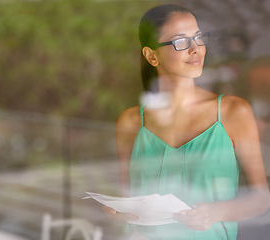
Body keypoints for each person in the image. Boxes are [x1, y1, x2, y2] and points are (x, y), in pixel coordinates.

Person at [103, 4, 270, 240]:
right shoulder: (130, 122)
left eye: (198, 38)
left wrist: (216, 212)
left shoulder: (233, 112)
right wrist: (116, 209)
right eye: (180, 41)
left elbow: (261, 198)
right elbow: (128, 197)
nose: (196, 49)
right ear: (151, 56)